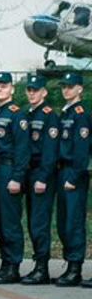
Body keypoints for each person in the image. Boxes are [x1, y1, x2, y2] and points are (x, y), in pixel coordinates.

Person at [18, 72, 60, 285]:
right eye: (29, 90)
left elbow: (50, 151)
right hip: (28, 172)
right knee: (32, 221)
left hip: (41, 174)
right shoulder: (27, 114)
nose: (32, 93)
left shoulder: (49, 115)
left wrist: (43, 177)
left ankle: (42, 268)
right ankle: (37, 264)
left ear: (44, 92)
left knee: (39, 223)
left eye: (36, 90)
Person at [0, 71, 27, 285]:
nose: (0, 89)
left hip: (9, 170)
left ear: (12, 89)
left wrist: (17, 177)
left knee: (10, 221)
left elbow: (22, 149)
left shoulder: (16, 115)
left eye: (4, 86)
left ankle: (13, 266)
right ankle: (5, 264)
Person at [53, 70, 89, 287]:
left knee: (74, 222)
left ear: (79, 89)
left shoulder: (80, 114)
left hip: (73, 173)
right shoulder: (65, 113)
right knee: (63, 222)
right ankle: (69, 264)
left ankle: (75, 267)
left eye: (70, 86)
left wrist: (74, 177)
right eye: (64, 86)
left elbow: (82, 151)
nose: (66, 89)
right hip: (62, 171)